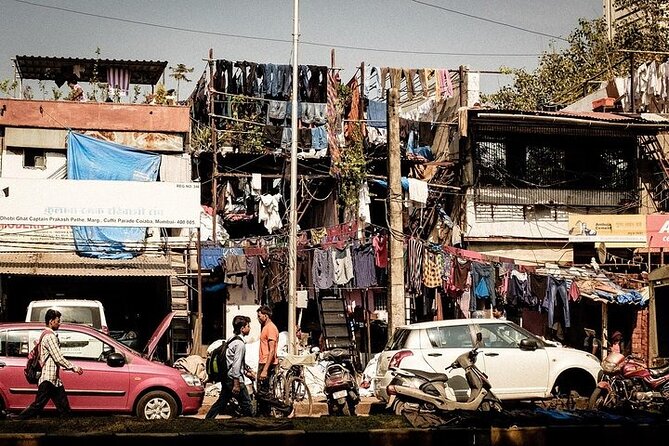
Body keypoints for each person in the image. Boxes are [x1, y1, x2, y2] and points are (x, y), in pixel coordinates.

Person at [16, 309, 84, 419]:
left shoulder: (45, 334)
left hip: (53, 379)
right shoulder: (50, 337)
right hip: (48, 379)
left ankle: (68, 426)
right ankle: (18, 420)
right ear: (51, 321)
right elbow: (58, 357)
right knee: (38, 406)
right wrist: (74, 368)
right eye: (58, 321)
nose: (59, 323)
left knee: (64, 407)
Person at [205, 315, 255, 419]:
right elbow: (236, 365)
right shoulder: (240, 344)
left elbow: (235, 361)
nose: (249, 328)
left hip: (227, 377)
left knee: (222, 401)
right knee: (246, 403)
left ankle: (208, 419)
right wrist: (236, 383)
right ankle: (250, 425)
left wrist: (247, 370)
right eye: (248, 326)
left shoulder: (231, 339)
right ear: (242, 329)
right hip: (234, 379)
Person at [256, 305, 279, 416]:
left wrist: (265, 369)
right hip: (263, 362)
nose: (258, 318)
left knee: (262, 393)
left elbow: (272, 350)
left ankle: (285, 408)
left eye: (259, 316)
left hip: (267, 363)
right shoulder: (265, 327)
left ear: (266, 316)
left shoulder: (271, 328)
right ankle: (264, 415)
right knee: (261, 391)